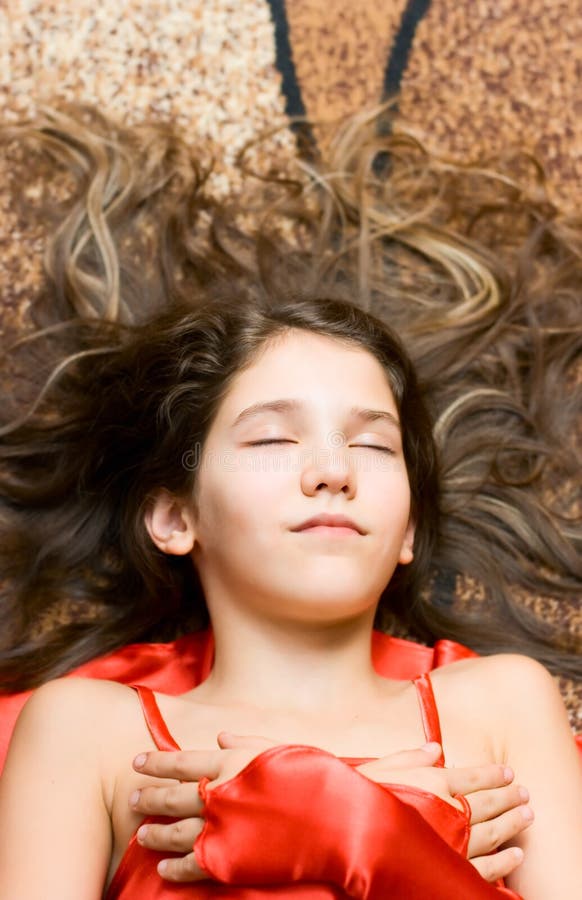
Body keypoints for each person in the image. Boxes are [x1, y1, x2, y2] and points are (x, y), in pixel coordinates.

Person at [0, 108, 580, 899]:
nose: (332, 471)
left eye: (374, 446)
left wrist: (364, 837)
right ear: (176, 516)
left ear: (408, 528)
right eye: (274, 440)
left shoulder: (504, 705)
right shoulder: (88, 734)